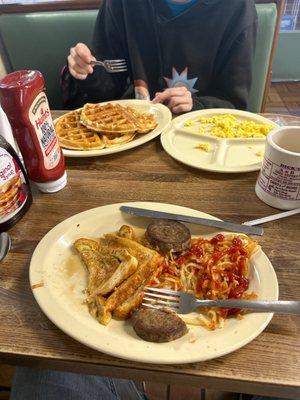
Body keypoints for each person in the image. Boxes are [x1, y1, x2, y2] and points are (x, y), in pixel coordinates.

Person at [62, 0, 258, 114]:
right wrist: (86, 71)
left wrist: (195, 105)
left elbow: (233, 102)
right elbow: (109, 86)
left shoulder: (238, 8)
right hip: (131, 133)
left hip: (201, 136)